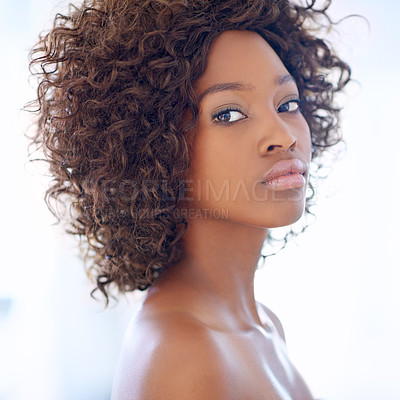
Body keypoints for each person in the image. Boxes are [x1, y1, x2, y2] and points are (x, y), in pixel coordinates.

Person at [29, 0, 351, 398]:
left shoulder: (263, 325)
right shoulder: (184, 353)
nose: (283, 135)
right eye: (229, 115)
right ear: (153, 147)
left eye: (288, 104)